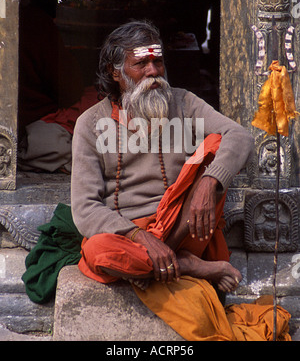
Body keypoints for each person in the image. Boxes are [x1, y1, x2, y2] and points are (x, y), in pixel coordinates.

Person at [71, 20, 255, 296]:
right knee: (98, 251)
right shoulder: (89, 123)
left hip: (184, 229)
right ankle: (188, 266)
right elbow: (85, 208)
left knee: (216, 144)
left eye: (158, 62)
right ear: (115, 73)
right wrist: (140, 237)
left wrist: (209, 182)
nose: (154, 72)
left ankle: (160, 262)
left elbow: (239, 136)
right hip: (128, 236)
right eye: (141, 64)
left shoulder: (183, 103)